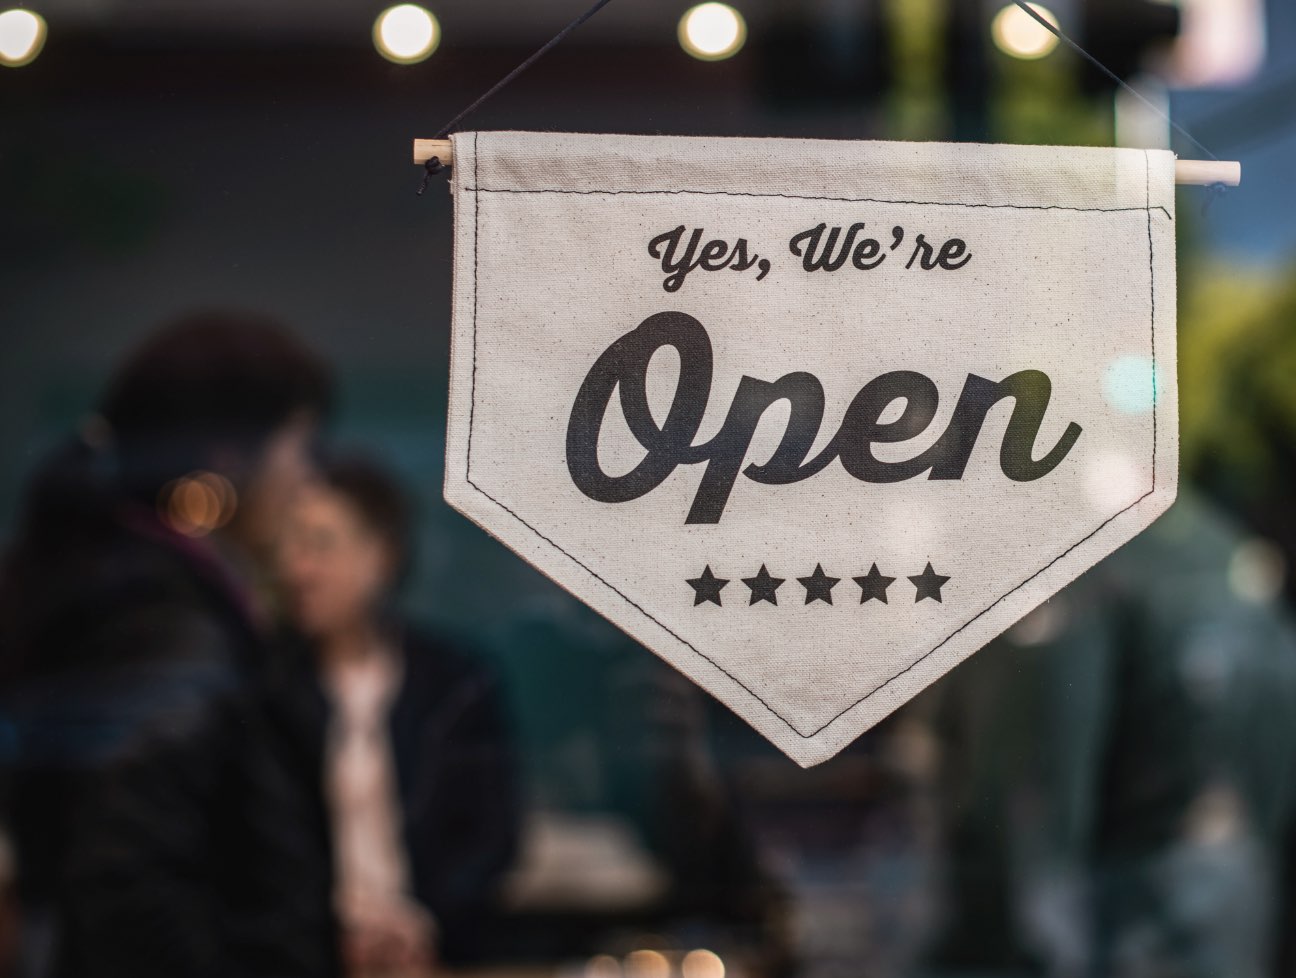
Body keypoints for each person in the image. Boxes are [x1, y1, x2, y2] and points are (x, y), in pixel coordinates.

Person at [0, 310, 334, 977]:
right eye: (298, 450)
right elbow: (130, 877)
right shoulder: (157, 622)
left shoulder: (124, 585)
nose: (305, 483)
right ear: (229, 457)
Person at [276, 452, 519, 974]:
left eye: (320, 545)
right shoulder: (266, 685)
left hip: (433, 954)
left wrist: (422, 922)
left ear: (380, 556)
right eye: (290, 546)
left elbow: (492, 835)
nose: (298, 569)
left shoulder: (456, 682)